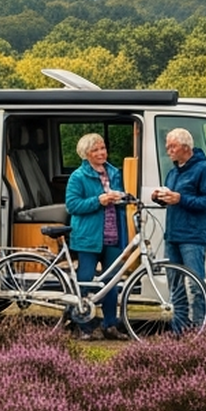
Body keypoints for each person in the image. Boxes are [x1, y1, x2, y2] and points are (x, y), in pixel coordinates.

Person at [150, 126, 206, 333]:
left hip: (193, 236)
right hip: (172, 235)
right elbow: (173, 200)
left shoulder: (204, 169)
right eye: (167, 146)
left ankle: (200, 328)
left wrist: (181, 198)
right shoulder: (172, 172)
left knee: (196, 285)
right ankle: (179, 330)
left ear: (186, 147)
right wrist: (160, 198)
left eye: (172, 146)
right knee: (175, 286)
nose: (168, 150)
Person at [63, 132, 130, 340]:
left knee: (111, 281)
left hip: (113, 234)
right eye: (96, 150)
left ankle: (110, 324)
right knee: (85, 279)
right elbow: (72, 205)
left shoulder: (114, 172)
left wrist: (121, 198)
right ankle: (83, 326)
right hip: (88, 236)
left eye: (103, 148)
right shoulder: (78, 176)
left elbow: (121, 197)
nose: (102, 153)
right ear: (86, 154)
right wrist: (98, 200)